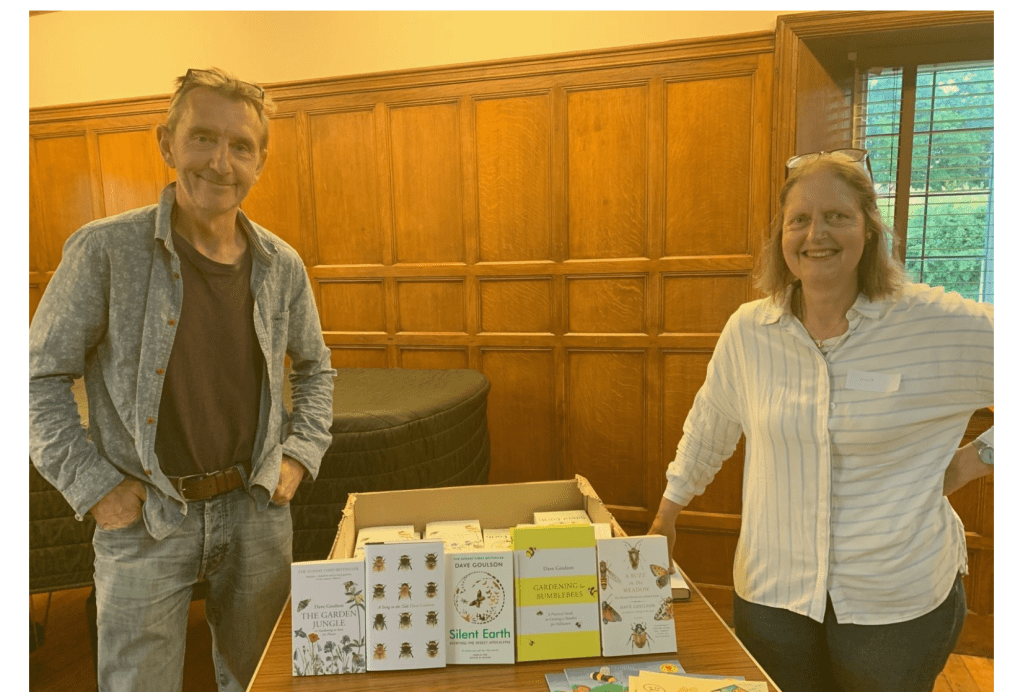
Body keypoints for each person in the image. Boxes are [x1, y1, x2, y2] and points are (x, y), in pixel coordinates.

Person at [29, 68, 336, 692]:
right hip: (144, 520)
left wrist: (298, 456)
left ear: (260, 161)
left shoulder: (283, 265)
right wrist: (93, 486)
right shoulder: (103, 252)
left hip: (255, 511)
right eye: (202, 138)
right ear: (167, 143)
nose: (220, 162)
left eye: (240, 146)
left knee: (265, 682)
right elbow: (34, 380)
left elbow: (316, 369)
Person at [648, 149, 994, 692]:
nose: (817, 234)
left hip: (894, 605)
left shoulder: (934, 323)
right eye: (801, 219)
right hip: (773, 596)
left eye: (837, 216)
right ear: (781, 237)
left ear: (869, 229)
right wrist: (667, 514)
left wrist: (977, 460)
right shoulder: (749, 330)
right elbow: (710, 423)